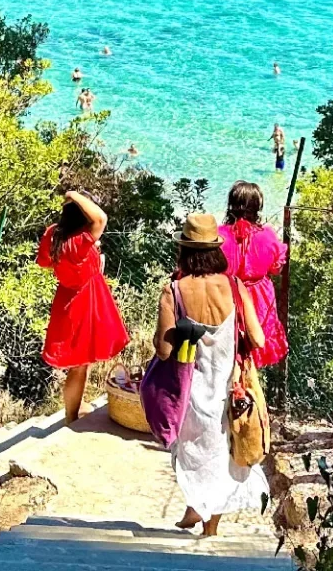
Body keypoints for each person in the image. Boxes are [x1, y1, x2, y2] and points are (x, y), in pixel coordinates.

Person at [157, 213, 268, 536]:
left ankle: (200, 513)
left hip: (189, 389)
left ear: (184, 250)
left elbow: (164, 350)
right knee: (222, 451)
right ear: (216, 250)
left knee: (192, 451)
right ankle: (207, 522)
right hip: (229, 388)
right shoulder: (234, 286)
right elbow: (259, 339)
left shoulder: (174, 290)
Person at [37, 191, 130, 422]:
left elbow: (46, 263)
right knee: (80, 365)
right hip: (86, 301)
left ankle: (74, 410)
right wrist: (73, 194)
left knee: (79, 363)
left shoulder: (54, 234)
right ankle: (71, 416)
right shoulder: (80, 239)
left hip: (66, 298)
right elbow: (101, 218)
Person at [218, 181, 289, 368]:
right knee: (252, 353)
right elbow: (276, 268)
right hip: (259, 301)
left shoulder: (218, 235)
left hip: (226, 298)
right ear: (257, 207)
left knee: (227, 354)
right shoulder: (267, 235)